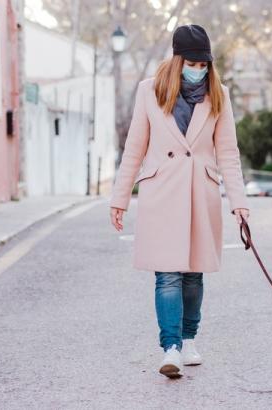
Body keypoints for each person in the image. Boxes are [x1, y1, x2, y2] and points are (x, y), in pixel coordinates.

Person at [109, 24, 250, 379]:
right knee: (167, 274)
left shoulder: (219, 94)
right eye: (192, 63)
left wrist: (239, 202)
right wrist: (120, 198)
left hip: (200, 193)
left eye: (204, 65)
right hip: (162, 194)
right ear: (177, 60)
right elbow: (135, 149)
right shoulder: (149, 91)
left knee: (193, 275)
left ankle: (188, 339)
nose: (198, 70)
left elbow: (228, 153)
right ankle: (170, 347)